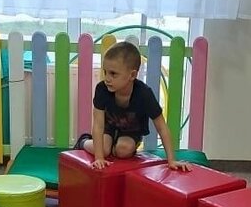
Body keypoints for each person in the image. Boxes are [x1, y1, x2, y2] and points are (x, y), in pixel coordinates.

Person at [74, 41, 189, 171]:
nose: (107, 78)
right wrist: (99, 157)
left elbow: (162, 127)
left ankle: (113, 148)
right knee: (104, 149)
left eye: (113, 74)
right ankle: (83, 141)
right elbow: (98, 125)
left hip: (131, 132)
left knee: (124, 150)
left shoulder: (144, 94)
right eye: (105, 72)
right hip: (108, 129)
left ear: (132, 75)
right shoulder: (102, 89)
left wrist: (171, 160)